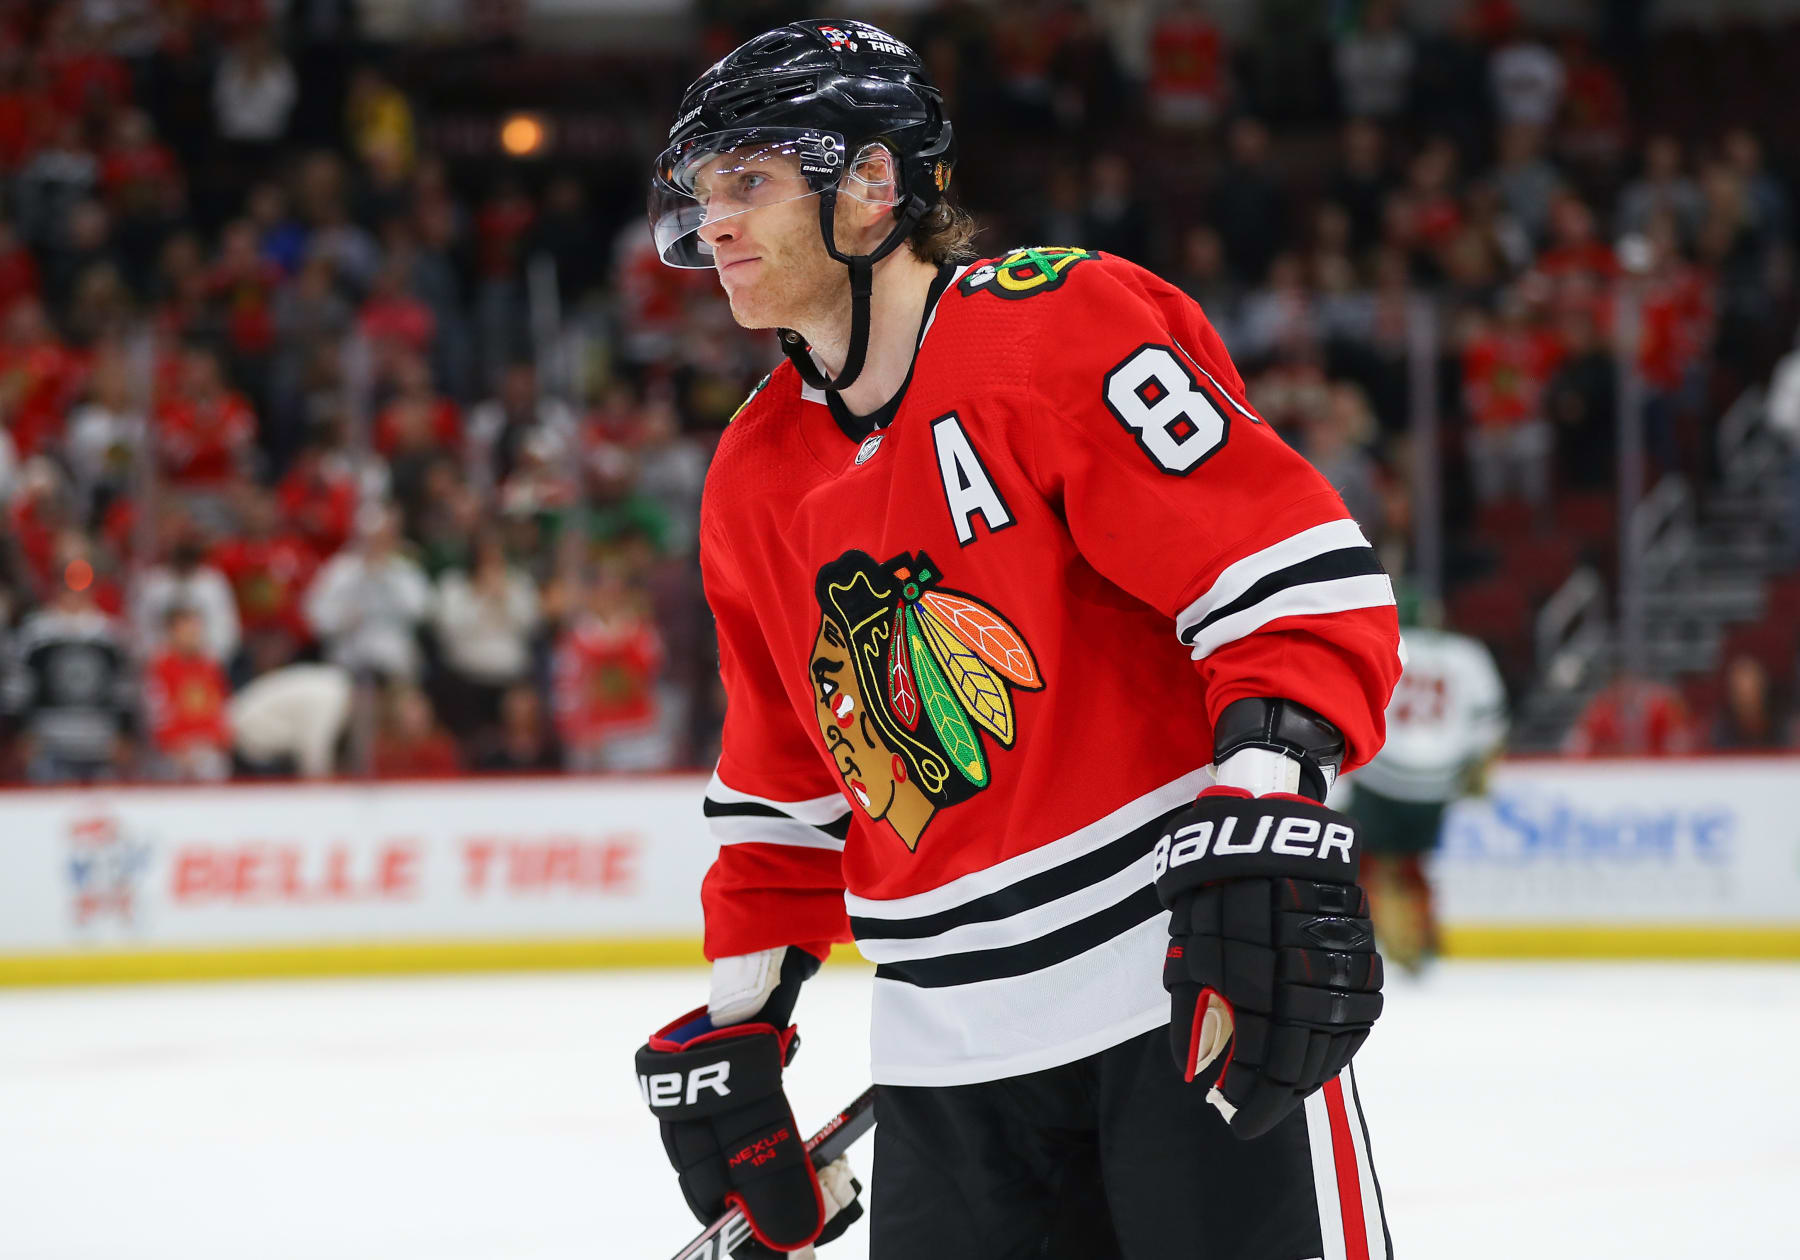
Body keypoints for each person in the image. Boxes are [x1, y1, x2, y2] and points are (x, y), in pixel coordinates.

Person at [633, 21, 1401, 1260]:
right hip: (944, 1065)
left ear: (873, 186)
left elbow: (1285, 582)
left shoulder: (1054, 327)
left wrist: (1266, 797)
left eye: (751, 181)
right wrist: (739, 1023)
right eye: (703, 190)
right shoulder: (753, 473)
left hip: (1184, 999)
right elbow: (784, 787)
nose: (713, 221)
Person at [1341, 590, 1507, 971]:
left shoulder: (1382, 643)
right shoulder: (1468, 654)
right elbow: (1491, 728)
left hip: (1382, 775)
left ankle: (1386, 938)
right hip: (1437, 783)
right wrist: (1475, 774)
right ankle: (1423, 931)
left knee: (1373, 864)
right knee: (1415, 863)